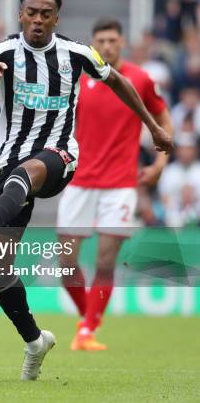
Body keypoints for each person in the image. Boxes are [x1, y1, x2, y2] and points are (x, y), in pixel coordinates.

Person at [0, 0, 173, 381]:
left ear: (56, 19)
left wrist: (153, 128)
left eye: (46, 14)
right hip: (5, 166)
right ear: (20, 15)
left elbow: (120, 82)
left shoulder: (77, 53)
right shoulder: (2, 50)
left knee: (32, 169)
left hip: (58, 157)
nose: (38, 20)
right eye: (31, 12)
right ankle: (34, 341)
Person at [56, 18, 172, 351]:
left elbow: (163, 120)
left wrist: (160, 163)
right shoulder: (79, 79)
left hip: (121, 184)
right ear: (93, 45)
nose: (106, 46)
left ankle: (87, 331)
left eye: (112, 40)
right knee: (67, 264)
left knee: (105, 262)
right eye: (101, 41)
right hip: (80, 180)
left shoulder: (140, 79)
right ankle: (89, 318)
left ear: (122, 42)